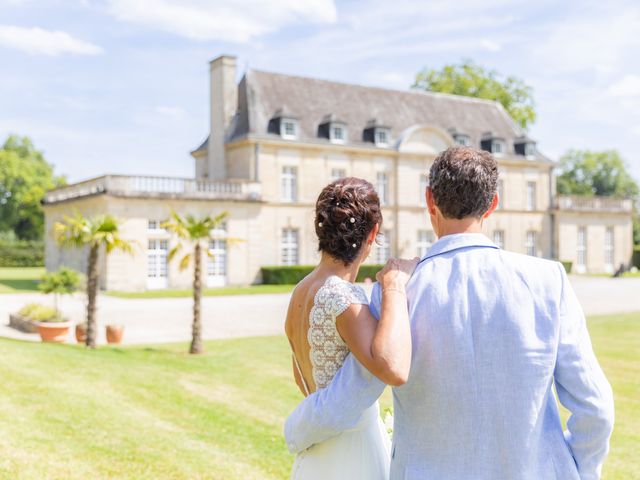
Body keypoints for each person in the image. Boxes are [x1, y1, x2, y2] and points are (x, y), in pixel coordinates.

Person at [285, 146, 614, 480]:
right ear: (492, 204)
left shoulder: (397, 291)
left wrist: (295, 429)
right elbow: (595, 408)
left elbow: (348, 396)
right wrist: (579, 471)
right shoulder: (548, 280)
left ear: (430, 201)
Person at [285, 177, 418, 480]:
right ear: (373, 233)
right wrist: (395, 288)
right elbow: (394, 368)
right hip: (352, 454)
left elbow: (300, 376)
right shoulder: (341, 296)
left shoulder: (300, 292)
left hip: (316, 453)